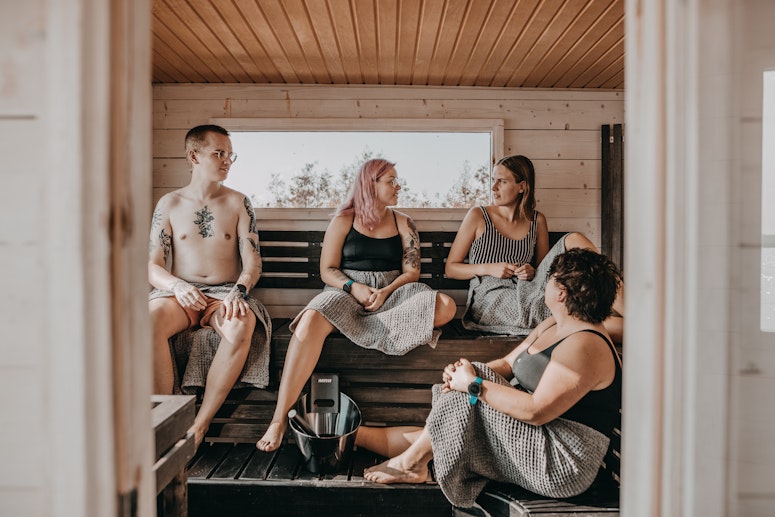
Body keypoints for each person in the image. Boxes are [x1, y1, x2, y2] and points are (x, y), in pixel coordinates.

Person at [357, 248, 622, 509]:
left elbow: (536, 411)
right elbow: (507, 364)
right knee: (452, 414)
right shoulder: (554, 324)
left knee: (465, 396)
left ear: (562, 293)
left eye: (550, 278)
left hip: (560, 461)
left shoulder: (585, 345)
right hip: (539, 438)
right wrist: (464, 370)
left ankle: (408, 463)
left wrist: (472, 384)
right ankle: (382, 450)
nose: (544, 284)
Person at [256, 158, 457, 452]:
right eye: (391, 181)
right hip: (347, 291)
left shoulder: (404, 221)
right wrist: (355, 287)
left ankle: (377, 325)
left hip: (394, 293)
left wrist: (386, 291)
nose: (397, 186)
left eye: (396, 181)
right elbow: (328, 269)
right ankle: (278, 419)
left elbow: (412, 271)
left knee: (446, 305)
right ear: (370, 184)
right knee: (311, 317)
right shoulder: (343, 220)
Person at [148, 124, 271, 448]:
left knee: (242, 323)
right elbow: (153, 265)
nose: (227, 161)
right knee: (148, 321)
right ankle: (166, 419)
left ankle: (199, 426)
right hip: (180, 294)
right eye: (219, 153)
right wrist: (176, 286)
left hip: (225, 292)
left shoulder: (238, 203)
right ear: (193, 155)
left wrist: (240, 291)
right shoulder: (169, 204)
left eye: (231, 155)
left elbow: (252, 261)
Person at [445, 154, 623, 342]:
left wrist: (531, 271)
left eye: (502, 182)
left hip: (528, 289)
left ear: (522, 186)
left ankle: (627, 309)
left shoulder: (537, 221)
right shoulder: (478, 216)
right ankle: (641, 326)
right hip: (491, 297)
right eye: (493, 180)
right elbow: (451, 268)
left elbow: (546, 272)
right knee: (558, 309)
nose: (493, 188)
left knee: (574, 239)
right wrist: (490, 268)